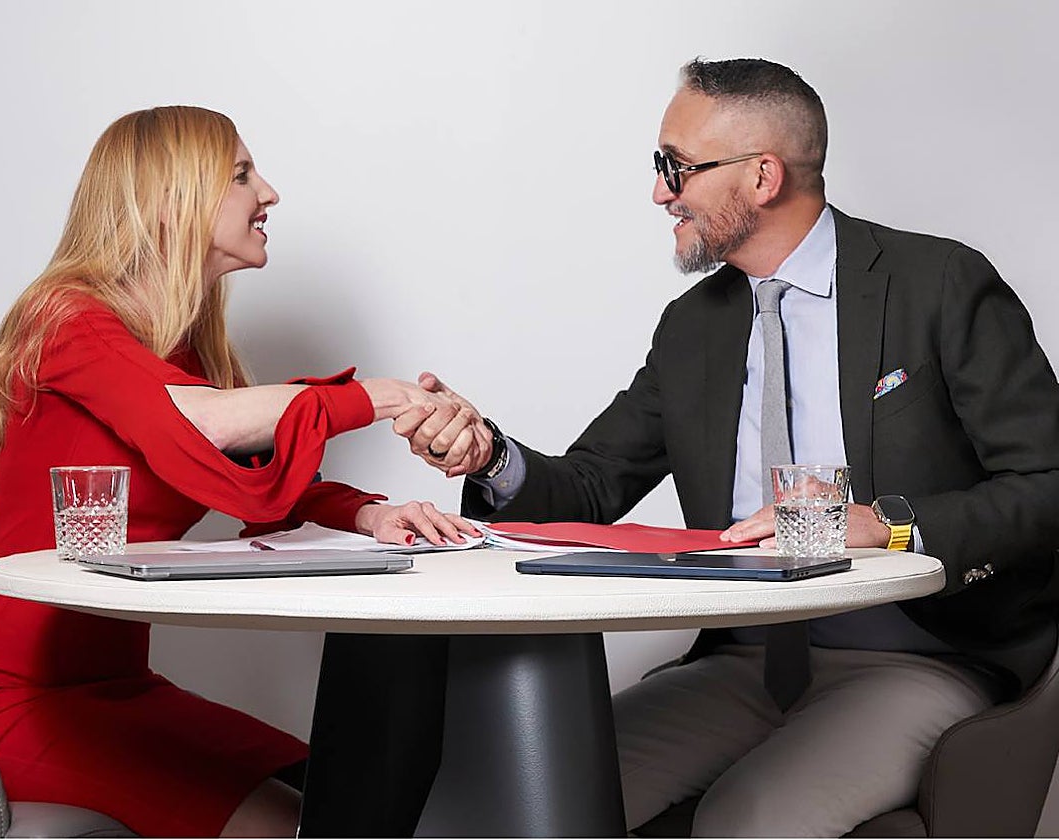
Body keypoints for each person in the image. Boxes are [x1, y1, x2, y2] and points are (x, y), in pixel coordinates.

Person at [397, 58, 1059, 836]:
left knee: (741, 823)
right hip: (744, 665)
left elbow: (1047, 483)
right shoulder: (694, 327)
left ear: (762, 177)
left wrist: (887, 523)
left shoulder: (938, 283)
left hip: (919, 659)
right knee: (507, 803)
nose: (658, 192)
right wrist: (488, 457)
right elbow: (590, 485)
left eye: (674, 166)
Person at [0, 105, 485, 838]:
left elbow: (255, 480)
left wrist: (369, 514)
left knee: (346, 803)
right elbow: (194, 424)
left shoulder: (186, 356)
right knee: (291, 828)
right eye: (241, 175)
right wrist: (374, 396)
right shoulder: (66, 319)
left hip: (114, 686)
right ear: (173, 199)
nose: (268, 192)